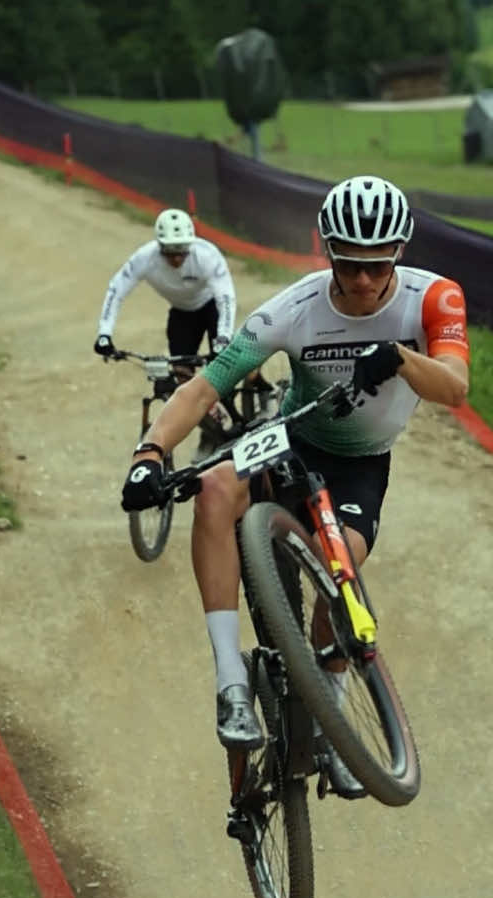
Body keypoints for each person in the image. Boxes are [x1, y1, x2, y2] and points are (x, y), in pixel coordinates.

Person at [120, 175, 470, 797]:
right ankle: (230, 680)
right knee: (213, 488)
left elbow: (454, 388)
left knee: (341, 577)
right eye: (348, 264)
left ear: (400, 251)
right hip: (293, 436)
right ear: (327, 249)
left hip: (361, 462)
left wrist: (397, 356)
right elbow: (206, 388)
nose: (362, 280)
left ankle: (331, 709)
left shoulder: (433, 298)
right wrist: (151, 452)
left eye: (377, 264)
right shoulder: (297, 307)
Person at [94, 210, 272, 455]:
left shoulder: (207, 255)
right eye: (169, 252)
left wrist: (222, 337)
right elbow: (116, 289)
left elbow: (226, 298)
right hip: (182, 314)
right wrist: (105, 334)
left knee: (231, 364)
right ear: (159, 247)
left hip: (212, 308)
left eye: (182, 252)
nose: (177, 259)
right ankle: (213, 432)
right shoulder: (145, 258)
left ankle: (263, 388)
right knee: (183, 379)